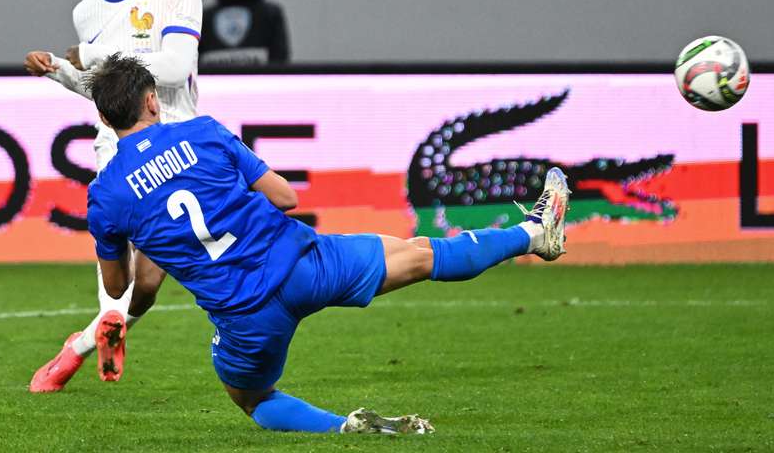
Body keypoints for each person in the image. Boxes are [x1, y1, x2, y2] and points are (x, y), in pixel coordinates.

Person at [84, 54, 572, 434]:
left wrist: (149, 243)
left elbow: (122, 283)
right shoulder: (203, 132)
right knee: (424, 255)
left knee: (252, 399)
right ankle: (531, 233)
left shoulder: (105, 197)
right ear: (152, 101)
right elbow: (286, 197)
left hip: (245, 316)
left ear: (106, 120)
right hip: (304, 265)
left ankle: (342, 426)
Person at [23, 0, 203, 392]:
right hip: (117, 144)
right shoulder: (88, 12)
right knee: (116, 252)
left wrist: (97, 55)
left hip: (178, 140)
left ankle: (80, 345)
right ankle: (101, 330)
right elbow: (105, 90)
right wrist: (60, 70)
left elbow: (172, 68)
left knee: (147, 282)